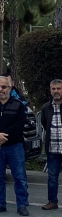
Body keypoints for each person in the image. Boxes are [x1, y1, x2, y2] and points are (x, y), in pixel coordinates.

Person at [0, 76, 29, 216]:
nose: (1, 90)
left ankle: (22, 205)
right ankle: (0, 203)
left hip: (14, 146)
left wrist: (2, 136)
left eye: (4, 87)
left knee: (20, 176)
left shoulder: (19, 105)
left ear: (10, 88)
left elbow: (19, 125)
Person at [40, 79, 62, 211]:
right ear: (50, 90)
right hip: (53, 149)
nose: (56, 91)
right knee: (52, 177)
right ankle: (52, 201)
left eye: (59, 88)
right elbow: (44, 124)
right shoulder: (45, 108)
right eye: (53, 89)